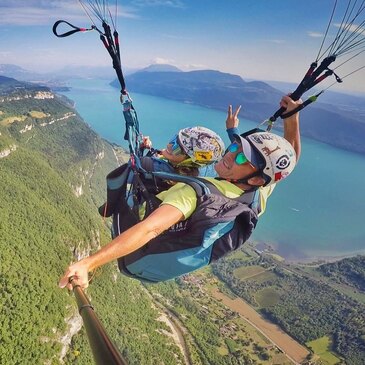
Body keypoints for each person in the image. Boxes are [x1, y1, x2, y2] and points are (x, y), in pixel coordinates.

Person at [59, 95, 301, 289]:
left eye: (240, 156)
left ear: (257, 177)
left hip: (135, 259)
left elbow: (150, 228)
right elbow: (289, 161)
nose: (230, 153)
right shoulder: (258, 193)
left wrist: (88, 264)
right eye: (235, 144)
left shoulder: (193, 193)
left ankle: (112, 208)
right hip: (160, 265)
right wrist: (292, 118)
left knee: (135, 171)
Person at [140, 126, 225, 177]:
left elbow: (131, 168)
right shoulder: (205, 171)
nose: (169, 145)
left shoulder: (154, 167)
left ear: (188, 161)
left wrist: (140, 148)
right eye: (174, 139)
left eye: (177, 149)